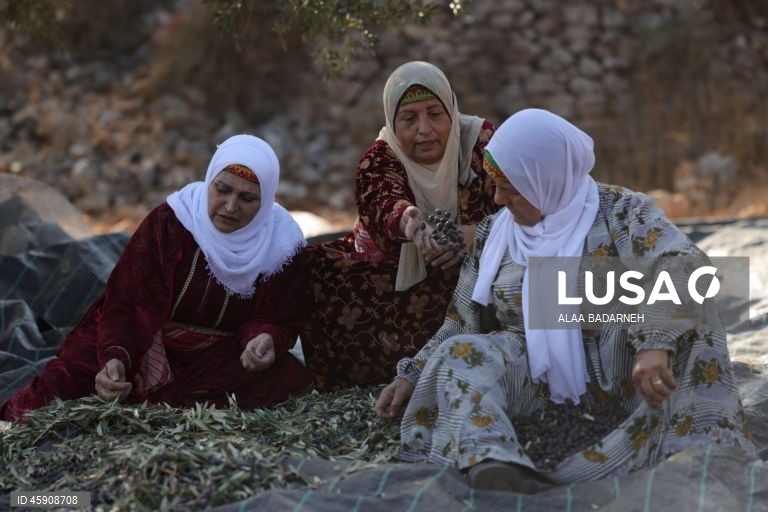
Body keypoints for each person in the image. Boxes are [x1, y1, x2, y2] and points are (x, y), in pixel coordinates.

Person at [375, 109, 754, 491]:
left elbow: (686, 264)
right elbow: (460, 322)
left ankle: (697, 448)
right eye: (495, 183)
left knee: (698, 314)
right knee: (460, 354)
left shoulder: (620, 212)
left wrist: (655, 342)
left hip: (623, 368)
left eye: (511, 187)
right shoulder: (496, 234)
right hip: (534, 375)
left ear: (547, 180)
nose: (498, 197)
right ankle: (492, 459)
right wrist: (410, 375)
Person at [1, 135, 313, 421]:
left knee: (284, 378)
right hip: (141, 339)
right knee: (65, 384)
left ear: (266, 199)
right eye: (222, 190)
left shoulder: (280, 245)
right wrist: (117, 359)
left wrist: (264, 339)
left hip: (213, 356)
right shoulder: (172, 221)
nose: (231, 207)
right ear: (210, 181)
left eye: (248, 198)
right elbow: (129, 301)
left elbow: (279, 315)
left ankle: (159, 405)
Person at [300, 61, 499, 389]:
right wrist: (409, 224)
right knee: (312, 266)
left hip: (480, 268)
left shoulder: (484, 143)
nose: (424, 129)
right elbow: (382, 198)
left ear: (451, 109)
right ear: (393, 121)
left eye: (435, 113)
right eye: (409, 118)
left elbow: (522, 202)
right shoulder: (380, 157)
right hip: (405, 271)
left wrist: (474, 237)